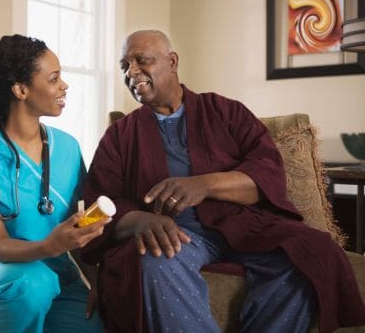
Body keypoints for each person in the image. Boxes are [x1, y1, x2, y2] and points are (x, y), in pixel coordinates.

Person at [81, 30, 365, 333]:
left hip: (243, 225)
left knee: (309, 254)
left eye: (141, 60)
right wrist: (137, 220)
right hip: (176, 234)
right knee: (155, 261)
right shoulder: (120, 136)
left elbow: (269, 173)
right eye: (125, 65)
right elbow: (93, 211)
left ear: (172, 62)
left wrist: (205, 184)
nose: (131, 71)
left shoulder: (227, 112)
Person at [0, 34, 107, 333]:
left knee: (95, 324)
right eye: (54, 78)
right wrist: (50, 245)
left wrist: (96, 280)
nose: (64, 85)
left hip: (59, 277)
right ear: (21, 89)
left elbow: (78, 225)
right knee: (32, 284)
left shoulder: (68, 148)